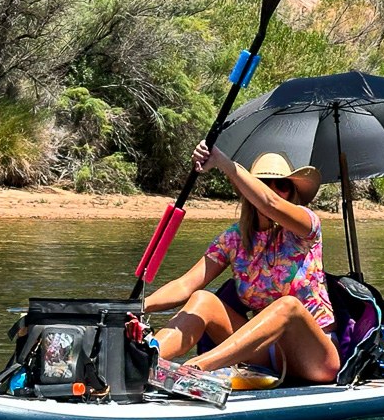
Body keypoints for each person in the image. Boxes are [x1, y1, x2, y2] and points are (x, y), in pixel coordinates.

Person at [144, 140, 340, 383]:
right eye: (264, 184)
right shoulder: (234, 238)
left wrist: (220, 161)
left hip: (315, 358)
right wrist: (136, 305)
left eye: (281, 185)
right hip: (267, 353)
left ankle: (195, 369)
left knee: (287, 306)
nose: (273, 190)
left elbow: (271, 203)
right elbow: (185, 285)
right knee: (203, 299)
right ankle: (144, 360)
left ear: (292, 192)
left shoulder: (306, 226)